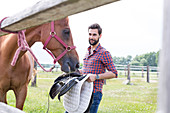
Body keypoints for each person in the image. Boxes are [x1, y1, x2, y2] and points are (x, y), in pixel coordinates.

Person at [81, 23, 118, 113]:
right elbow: (87, 70)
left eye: (94, 35)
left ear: (100, 36)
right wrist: (78, 71)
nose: (91, 37)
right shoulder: (88, 51)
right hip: (83, 90)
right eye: (90, 34)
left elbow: (114, 73)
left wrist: (96, 77)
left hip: (94, 93)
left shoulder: (104, 53)